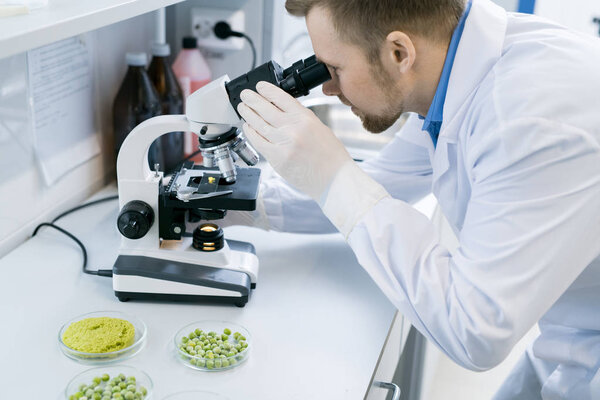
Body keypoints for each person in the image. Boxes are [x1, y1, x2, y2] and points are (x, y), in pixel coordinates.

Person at [231, 0, 600, 398]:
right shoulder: (460, 70)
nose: (328, 88)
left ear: (399, 52)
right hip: (573, 334)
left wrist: (333, 174)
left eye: (334, 68)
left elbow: (474, 330)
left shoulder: (528, 119)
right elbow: (388, 178)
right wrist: (245, 206)